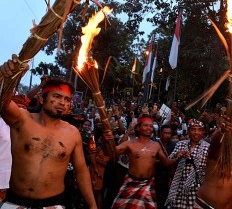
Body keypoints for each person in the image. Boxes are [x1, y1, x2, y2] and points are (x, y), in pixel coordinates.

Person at [0, 55, 96, 208]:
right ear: (42, 99)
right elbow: (2, 102)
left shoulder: (72, 133)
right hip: (15, 202)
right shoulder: (22, 119)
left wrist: (92, 205)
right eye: (57, 96)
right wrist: (5, 76)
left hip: (53, 204)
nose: (62, 103)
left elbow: (82, 171)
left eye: (67, 99)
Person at [111, 116, 187, 209]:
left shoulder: (156, 145)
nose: (149, 128)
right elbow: (112, 153)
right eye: (145, 125)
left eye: (151, 126)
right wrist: (108, 140)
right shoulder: (129, 144)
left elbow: (166, 163)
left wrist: (178, 158)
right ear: (138, 127)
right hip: (131, 183)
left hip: (148, 185)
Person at [165, 119, 210, 208]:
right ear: (189, 131)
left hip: (197, 190)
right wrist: (178, 156)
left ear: (203, 132)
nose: (196, 132)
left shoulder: (208, 147)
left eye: (199, 130)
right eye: (193, 129)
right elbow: (168, 162)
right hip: (178, 187)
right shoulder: (180, 144)